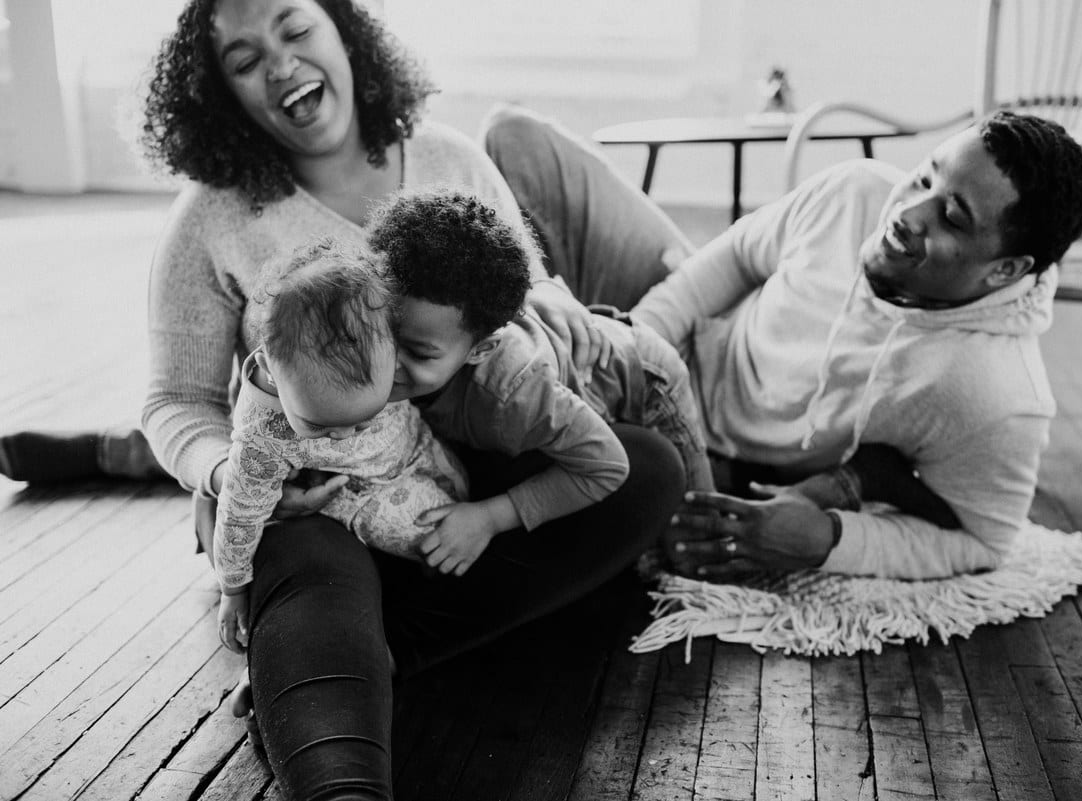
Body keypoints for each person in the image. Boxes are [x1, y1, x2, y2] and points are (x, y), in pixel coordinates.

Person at [17, 2, 684, 798]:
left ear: (345, 33)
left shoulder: (452, 160)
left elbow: (525, 314)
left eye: (295, 29)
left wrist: (507, 461)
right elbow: (176, 400)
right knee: (304, 556)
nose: (280, 63)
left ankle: (352, 654)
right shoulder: (211, 218)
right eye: (242, 59)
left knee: (645, 470)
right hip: (316, 501)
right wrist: (224, 473)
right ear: (218, 95)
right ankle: (337, 743)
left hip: (450, 488)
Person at [482, 105, 1082, 581]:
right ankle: (545, 333)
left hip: (716, 459)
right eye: (924, 178)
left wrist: (828, 538)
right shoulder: (855, 192)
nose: (908, 213)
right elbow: (733, 260)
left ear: (1006, 272)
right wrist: (636, 342)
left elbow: (982, 542)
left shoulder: (998, 391)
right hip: (680, 336)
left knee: (586, 475)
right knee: (518, 137)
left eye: (953, 217)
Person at [369, 191, 715, 506]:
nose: (385, 359)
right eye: (377, 331)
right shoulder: (412, 320)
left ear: (480, 350)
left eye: (417, 353)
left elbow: (606, 464)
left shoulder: (514, 392)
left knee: (693, 517)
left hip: (645, 378)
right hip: (561, 363)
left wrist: (490, 517)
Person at [213, 239, 469, 653]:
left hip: (418, 449)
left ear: (394, 352)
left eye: (363, 419)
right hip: (356, 494)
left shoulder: (377, 341)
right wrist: (233, 587)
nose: (343, 437)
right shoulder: (262, 438)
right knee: (433, 542)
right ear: (269, 371)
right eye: (318, 424)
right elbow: (240, 513)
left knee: (460, 497)